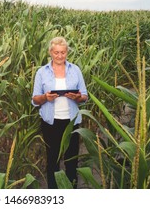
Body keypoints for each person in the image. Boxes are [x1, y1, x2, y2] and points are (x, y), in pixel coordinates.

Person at [31, 36, 88, 189]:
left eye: (63, 52)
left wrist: (77, 97)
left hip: (72, 122)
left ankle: (71, 192)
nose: (59, 56)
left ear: (67, 53)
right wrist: (45, 97)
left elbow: (84, 96)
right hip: (51, 122)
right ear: (50, 52)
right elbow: (35, 99)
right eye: (56, 52)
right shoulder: (42, 72)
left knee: (71, 161)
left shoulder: (75, 70)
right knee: (53, 161)